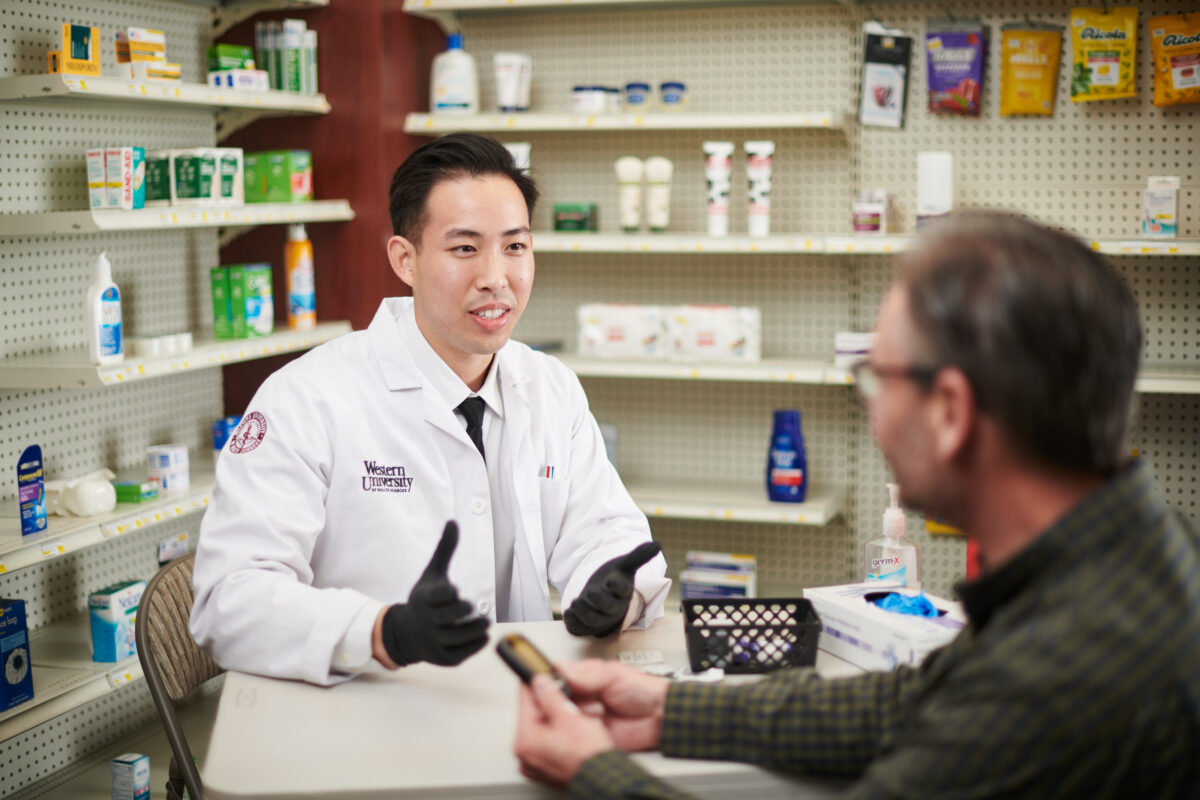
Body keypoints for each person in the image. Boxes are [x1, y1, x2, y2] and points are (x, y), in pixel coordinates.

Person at [512, 211, 1200, 798]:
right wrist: (673, 707)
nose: (871, 410)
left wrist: (592, 770)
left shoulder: (1059, 673)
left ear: (951, 412)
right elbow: (918, 703)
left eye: (878, 376)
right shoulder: (1129, 555)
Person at [190, 133, 670, 685]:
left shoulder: (550, 388)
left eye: (515, 247)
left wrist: (615, 590)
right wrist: (382, 632)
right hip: (363, 716)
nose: (496, 277)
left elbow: (605, 531)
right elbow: (229, 601)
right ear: (405, 260)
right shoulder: (306, 398)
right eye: (464, 248)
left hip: (520, 706)